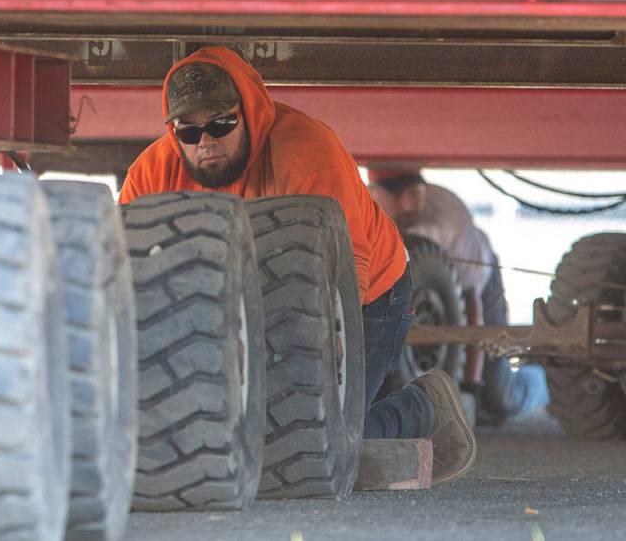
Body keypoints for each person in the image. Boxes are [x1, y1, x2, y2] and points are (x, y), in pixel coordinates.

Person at [119, 45, 476, 484]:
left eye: (221, 123)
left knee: (312, 439)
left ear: (247, 112)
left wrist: (332, 342)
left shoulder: (307, 156)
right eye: (188, 132)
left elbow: (350, 259)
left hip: (366, 294)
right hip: (245, 299)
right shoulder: (150, 175)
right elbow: (131, 269)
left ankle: (424, 405)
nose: (206, 142)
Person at [368, 168, 549, 424]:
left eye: (416, 195)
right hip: (424, 284)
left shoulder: (449, 220)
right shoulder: (369, 215)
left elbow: (471, 303)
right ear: (373, 194)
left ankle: (544, 379)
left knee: (498, 399)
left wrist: (469, 388)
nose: (411, 205)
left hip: (478, 280)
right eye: (401, 197)